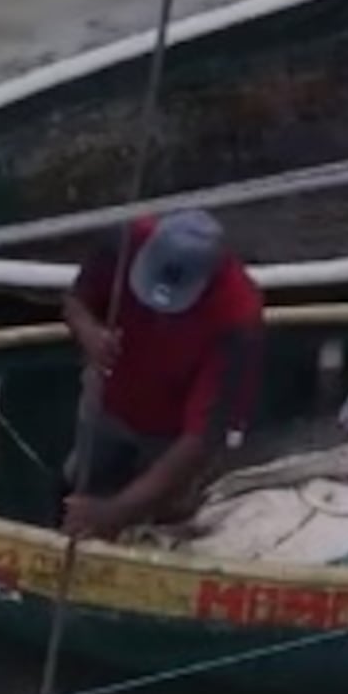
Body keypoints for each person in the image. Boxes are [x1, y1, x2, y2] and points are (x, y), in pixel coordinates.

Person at [60, 208, 264, 539]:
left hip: (172, 436)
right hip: (108, 404)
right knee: (82, 477)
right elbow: (75, 300)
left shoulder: (239, 320)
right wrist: (89, 332)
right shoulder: (123, 241)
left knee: (170, 512)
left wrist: (114, 513)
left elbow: (200, 440)